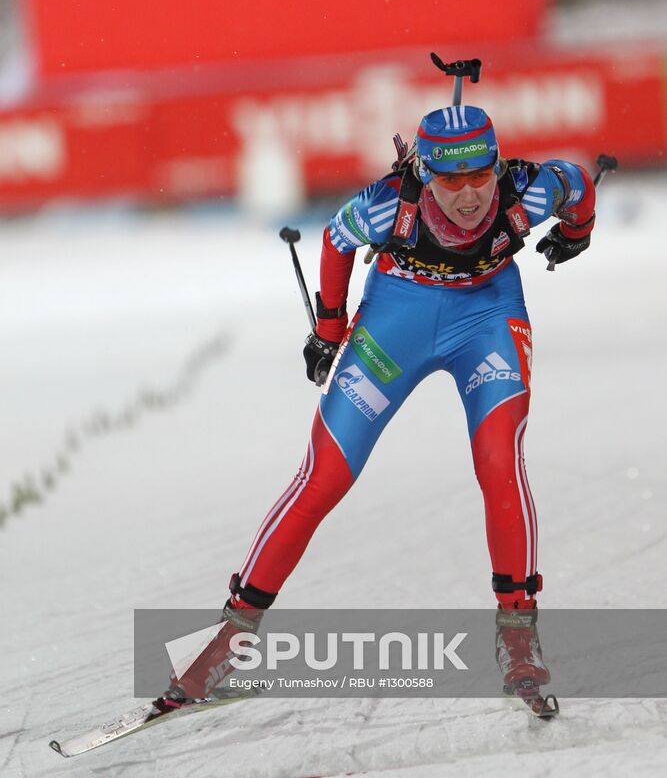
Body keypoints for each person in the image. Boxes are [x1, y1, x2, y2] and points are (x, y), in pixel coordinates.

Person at [152, 103, 595, 713]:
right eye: (449, 181)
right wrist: (329, 330)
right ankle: (231, 637)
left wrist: (577, 232)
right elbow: (336, 237)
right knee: (324, 476)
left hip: (487, 318)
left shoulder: (532, 188)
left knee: (499, 460)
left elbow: (579, 184)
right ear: (427, 173)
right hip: (397, 321)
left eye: (479, 178)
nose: (468, 197)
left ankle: (518, 633)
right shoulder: (389, 203)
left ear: (497, 165)